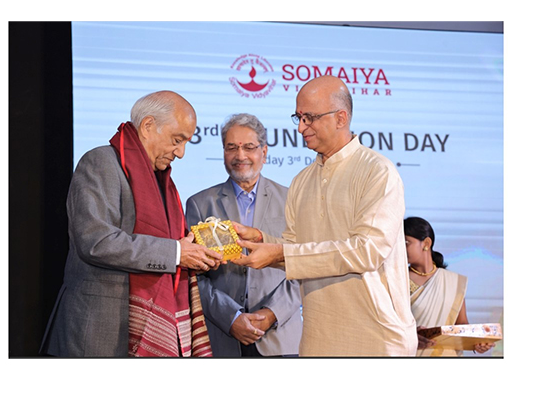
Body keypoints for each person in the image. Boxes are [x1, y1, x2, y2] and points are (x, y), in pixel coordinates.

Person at [233, 76, 417, 356]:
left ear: (341, 118)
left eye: (309, 118)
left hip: (376, 337)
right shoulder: (302, 181)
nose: (301, 127)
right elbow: (296, 250)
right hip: (318, 337)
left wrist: (279, 252)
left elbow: (367, 251)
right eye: (298, 117)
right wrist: (260, 239)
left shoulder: (377, 171)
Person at [40, 91, 223, 357]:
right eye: (177, 140)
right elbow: (97, 242)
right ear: (148, 126)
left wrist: (203, 253)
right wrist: (177, 253)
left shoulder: (162, 182)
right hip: (99, 334)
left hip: (144, 328)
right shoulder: (102, 162)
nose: (181, 153)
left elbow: (173, 247)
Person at [185, 114, 302, 357]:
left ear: (264, 152)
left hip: (280, 337)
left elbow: (304, 265)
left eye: (249, 147)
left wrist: (271, 314)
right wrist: (231, 317)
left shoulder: (292, 200)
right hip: (221, 337)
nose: (240, 156)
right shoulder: (200, 204)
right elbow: (194, 276)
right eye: (232, 148)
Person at [404, 216, 495, 356]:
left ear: (426, 243)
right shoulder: (398, 280)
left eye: (406, 243)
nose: (401, 249)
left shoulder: (452, 282)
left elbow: (461, 324)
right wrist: (410, 335)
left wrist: (478, 342)